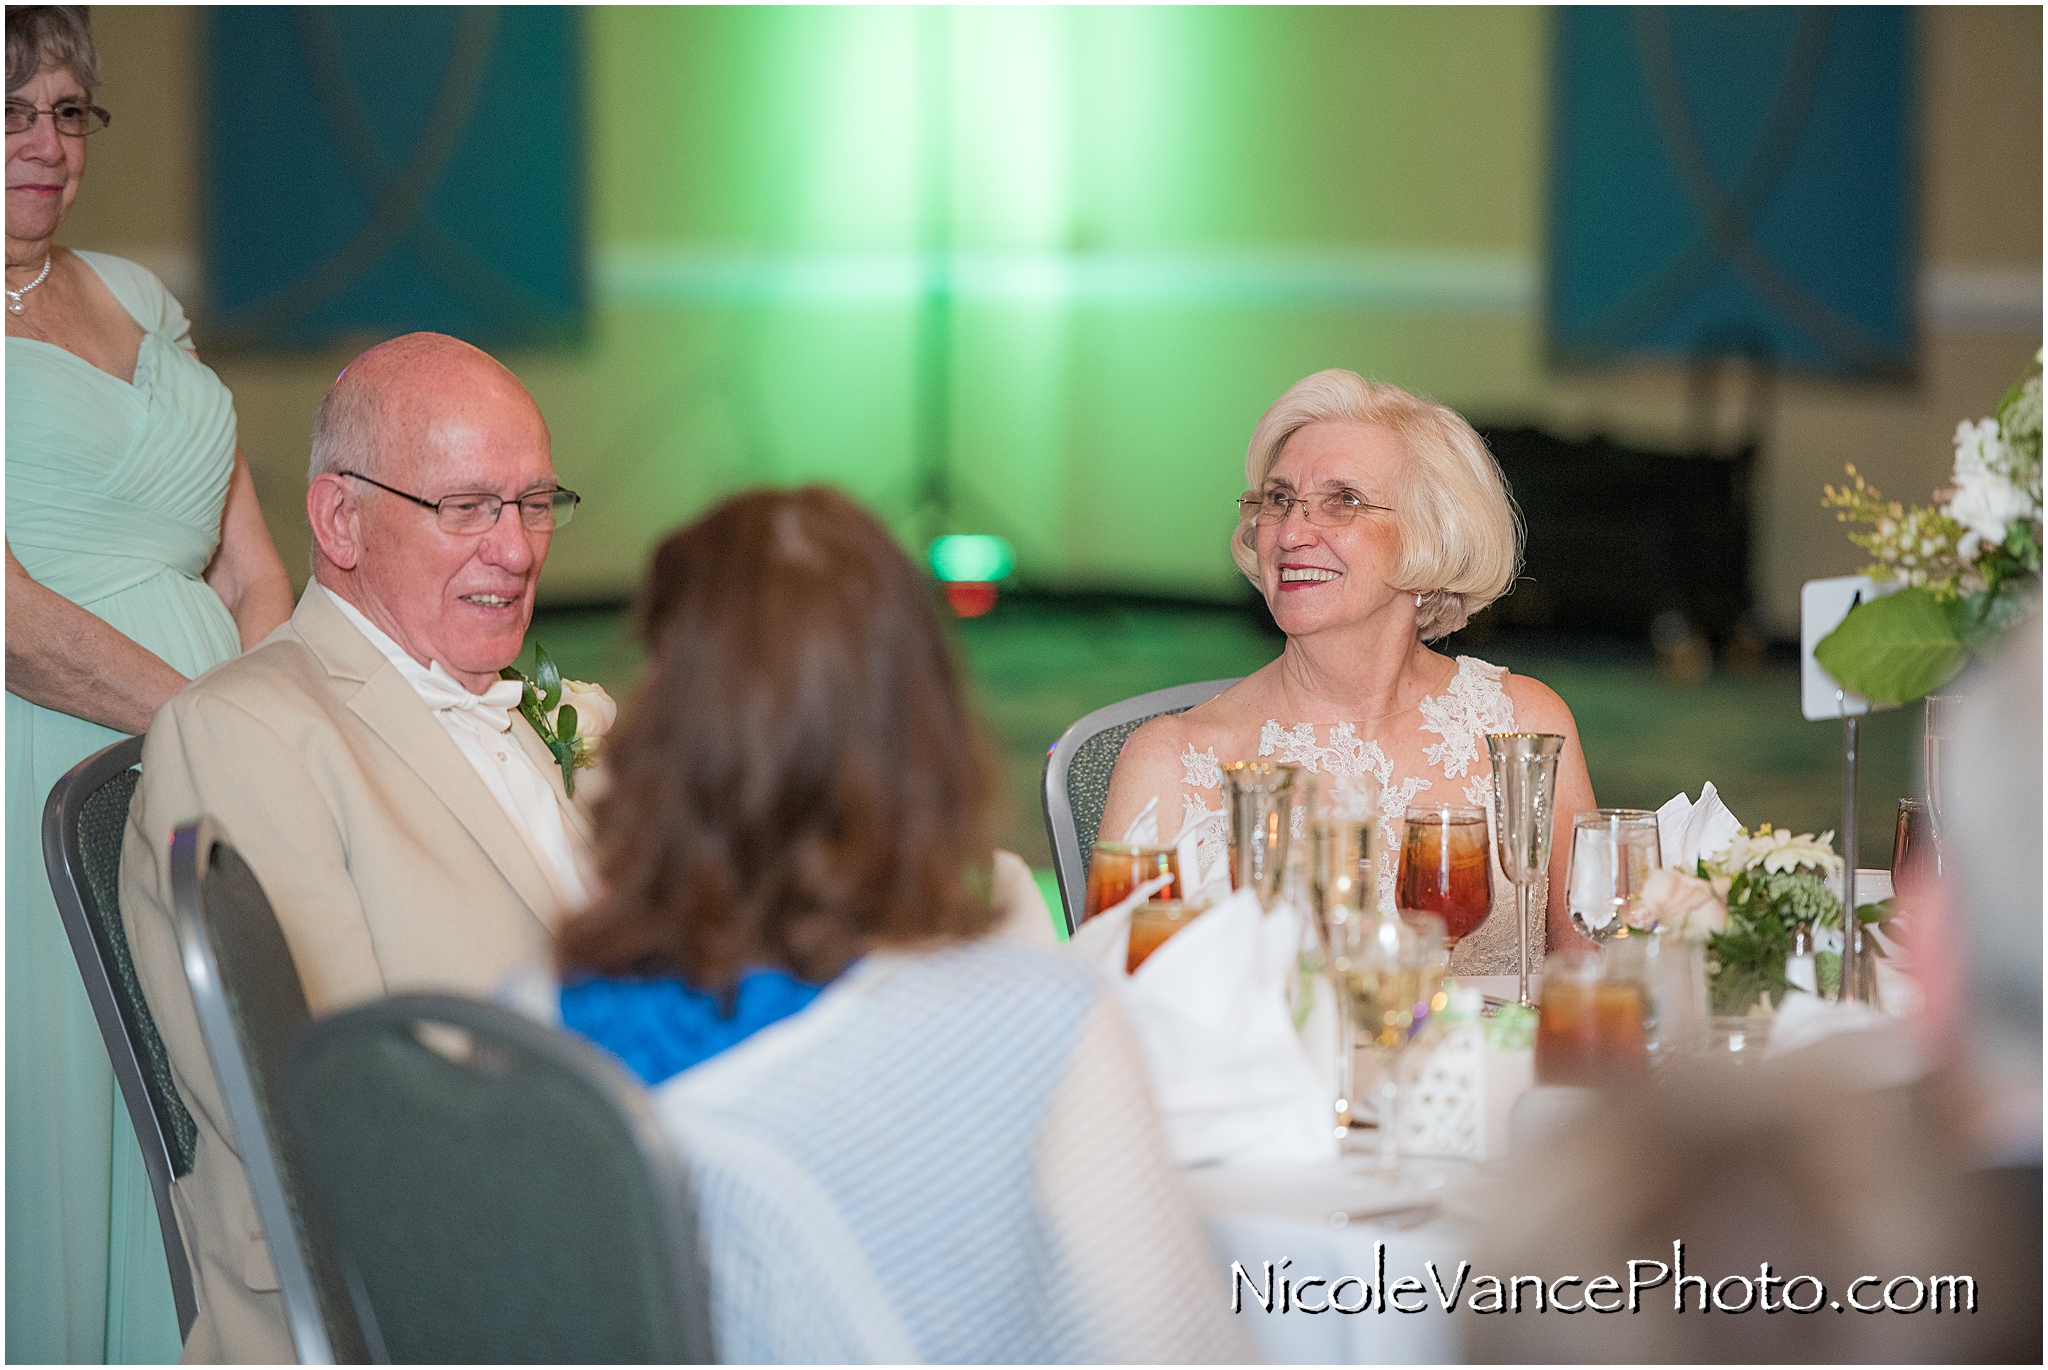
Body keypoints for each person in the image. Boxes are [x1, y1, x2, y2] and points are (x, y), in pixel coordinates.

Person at [551, 488, 1249, 1362]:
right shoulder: (1038, 1027)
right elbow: (1181, 1351)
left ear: (656, 712)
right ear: (923, 720)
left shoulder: (534, 1017)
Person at [119, 332, 594, 1363]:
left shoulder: (564, 717)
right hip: (402, 1303)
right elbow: (343, 1117)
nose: (515, 549)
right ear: (339, 517)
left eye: (532, 503)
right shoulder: (246, 734)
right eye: (467, 506)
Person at [4, 7, 293, 1360]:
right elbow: (11, 624)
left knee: (225, 1098)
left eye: (67, 111)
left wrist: (278, 714)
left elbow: (250, 561)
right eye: (11, 111)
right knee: (90, 1111)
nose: (46, 145)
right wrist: (210, 727)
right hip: (45, 775)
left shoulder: (138, 291)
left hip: (216, 766)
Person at [1100, 369, 1596, 974]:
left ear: (1429, 538)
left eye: (1343, 502)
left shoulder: (1523, 730)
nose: (1291, 532)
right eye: (1279, 500)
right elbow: (1113, 1028)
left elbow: (1599, 982)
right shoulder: (1171, 764)